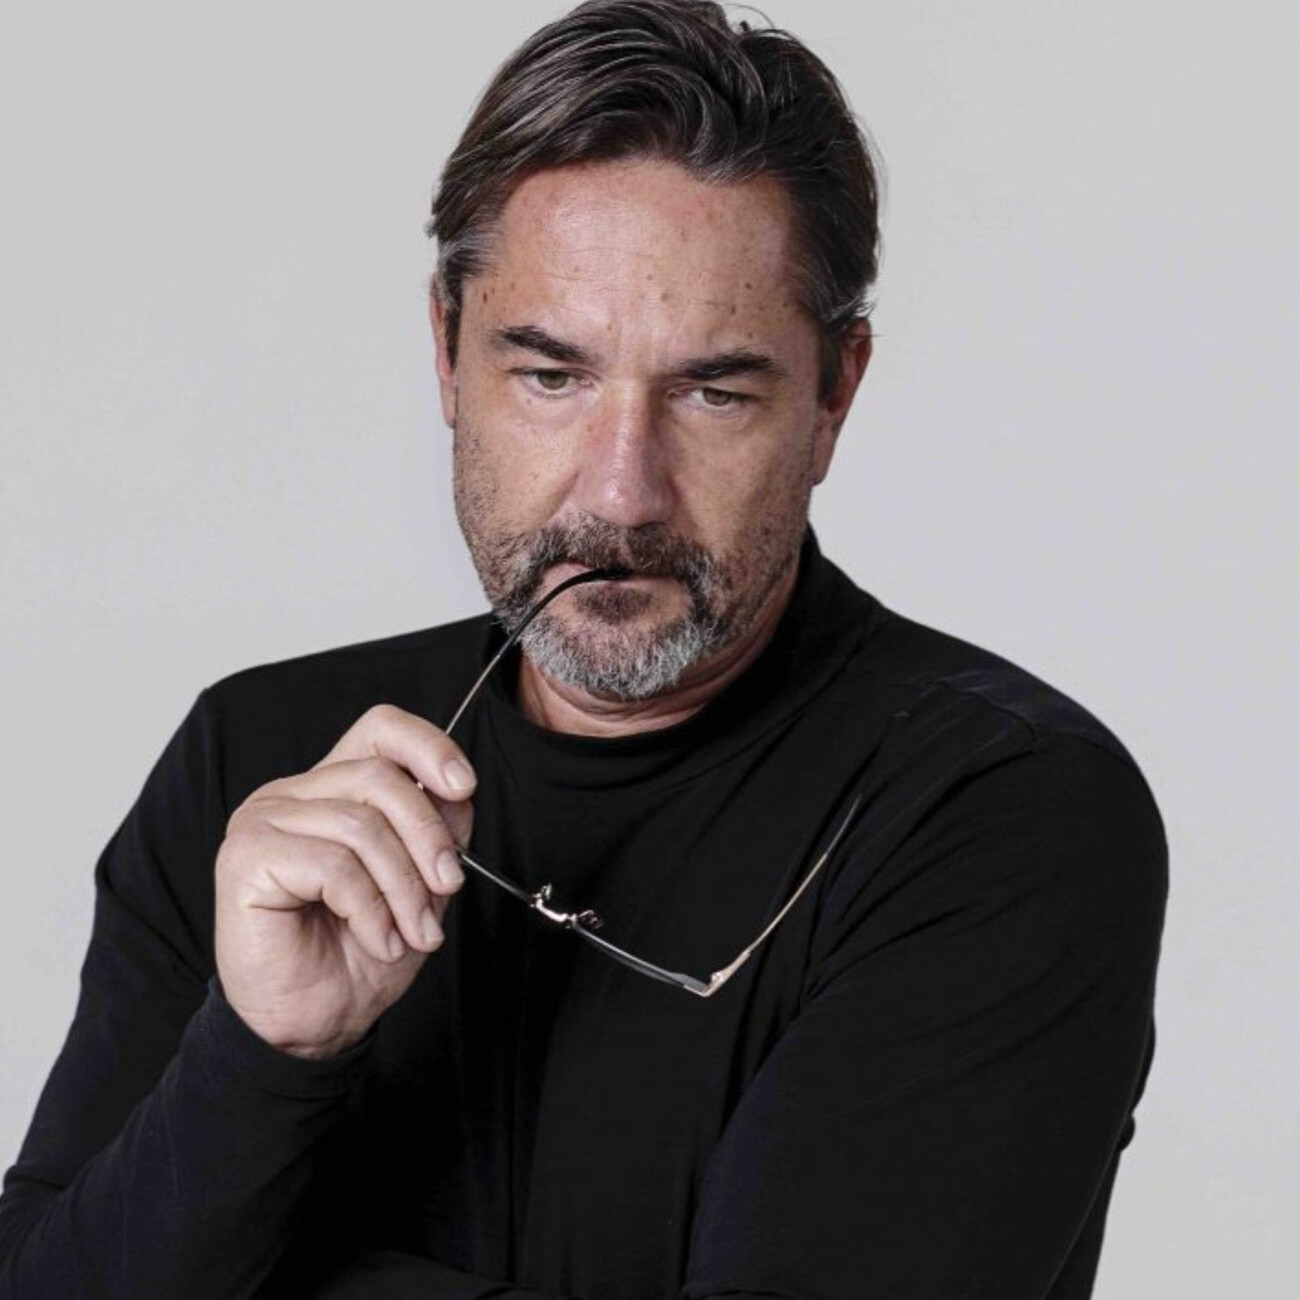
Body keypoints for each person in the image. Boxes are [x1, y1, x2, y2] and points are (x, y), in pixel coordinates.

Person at [0, 2, 1168, 1297]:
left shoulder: (1003, 811)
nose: (621, 494)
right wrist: (263, 1055)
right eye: (551, 376)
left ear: (835, 395)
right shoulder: (262, 762)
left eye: (713, 391)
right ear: (447, 355)